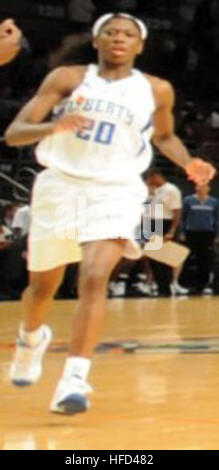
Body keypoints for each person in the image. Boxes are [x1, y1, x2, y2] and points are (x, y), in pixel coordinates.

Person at [5, 13, 215, 415]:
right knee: (42, 290)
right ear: (97, 41)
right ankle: (32, 336)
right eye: (111, 32)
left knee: (96, 274)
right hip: (61, 185)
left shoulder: (156, 89)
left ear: (140, 45)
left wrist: (189, 163)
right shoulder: (67, 78)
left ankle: (75, 377)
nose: (119, 38)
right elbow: (15, 132)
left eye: (128, 34)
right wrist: (53, 127)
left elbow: (165, 136)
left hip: (116, 189)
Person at [146, 168, 189, 296]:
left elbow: (177, 211)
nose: (148, 181)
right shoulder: (154, 191)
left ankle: (166, 287)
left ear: (157, 176)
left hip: (164, 222)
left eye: (150, 178)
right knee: (152, 256)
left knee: (163, 257)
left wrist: (172, 230)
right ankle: (159, 286)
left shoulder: (171, 190)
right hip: (152, 222)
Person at [182, 183, 219, 293]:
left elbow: (217, 219)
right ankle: (185, 284)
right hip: (191, 233)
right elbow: (183, 217)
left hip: (208, 233)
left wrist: (217, 235)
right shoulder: (188, 200)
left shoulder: (214, 202)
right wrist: (182, 232)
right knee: (187, 258)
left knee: (205, 259)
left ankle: (202, 285)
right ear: (195, 188)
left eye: (204, 187)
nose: (202, 189)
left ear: (209, 189)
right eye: (199, 186)